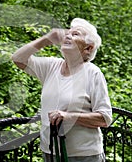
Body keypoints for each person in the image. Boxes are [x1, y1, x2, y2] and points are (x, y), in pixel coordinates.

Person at [11, 18, 112, 162]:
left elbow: (105, 118)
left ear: (88, 48)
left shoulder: (93, 73)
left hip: (84, 156)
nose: (68, 36)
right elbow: (18, 59)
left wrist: (68, 116)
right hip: (51, 152)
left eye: (76, 34)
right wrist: (45, 40)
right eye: (67, 33)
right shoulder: (51, 66)